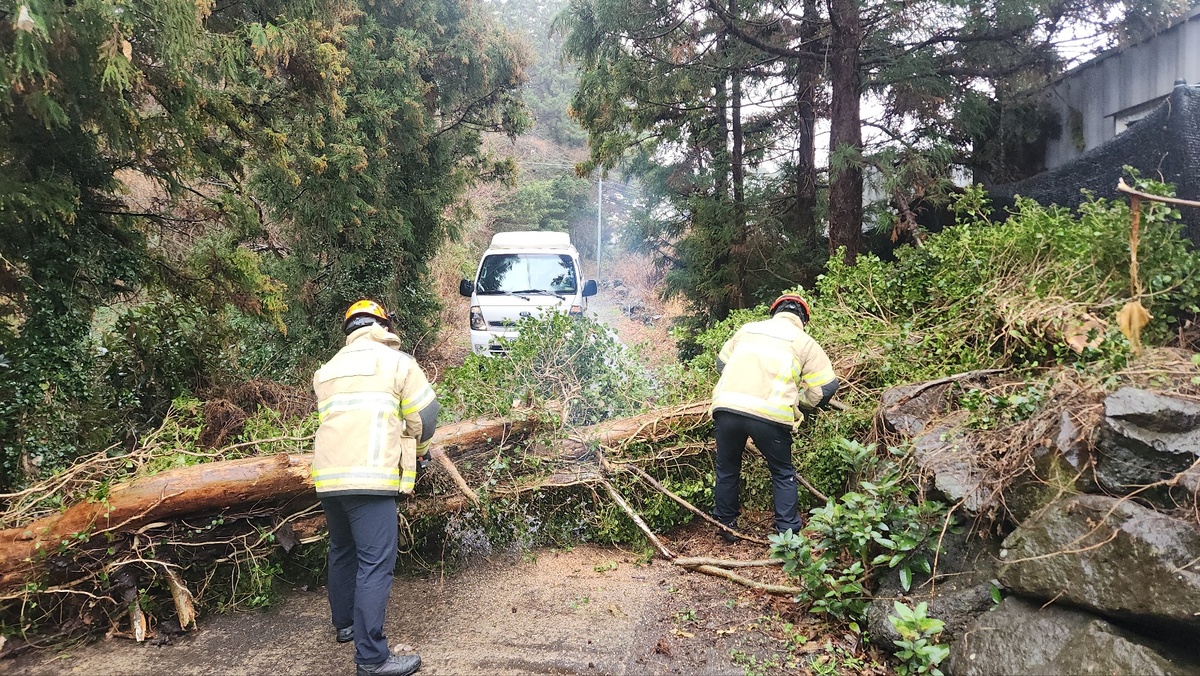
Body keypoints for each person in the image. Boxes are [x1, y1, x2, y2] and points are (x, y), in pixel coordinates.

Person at [312, 300, 440, 676]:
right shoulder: (398, 363)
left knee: (342, 550)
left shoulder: (327, 370)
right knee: (375, 563)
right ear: (383, 326)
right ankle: (371, 659)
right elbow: (427, 415)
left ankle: (345, 625)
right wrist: (419, 453)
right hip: (370, 478)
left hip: (329, 477)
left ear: (349, 329)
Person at [709, 292, 838, 540]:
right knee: (782, 472)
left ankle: (726, 526)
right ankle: (786, 535)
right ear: (803, 318)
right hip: (771, 415)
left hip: (726, 408)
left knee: (727, 468)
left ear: (774, 311)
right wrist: (802, 402)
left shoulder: (747, 329)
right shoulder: (804, 342)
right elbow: (826, 387)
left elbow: (721, 364)